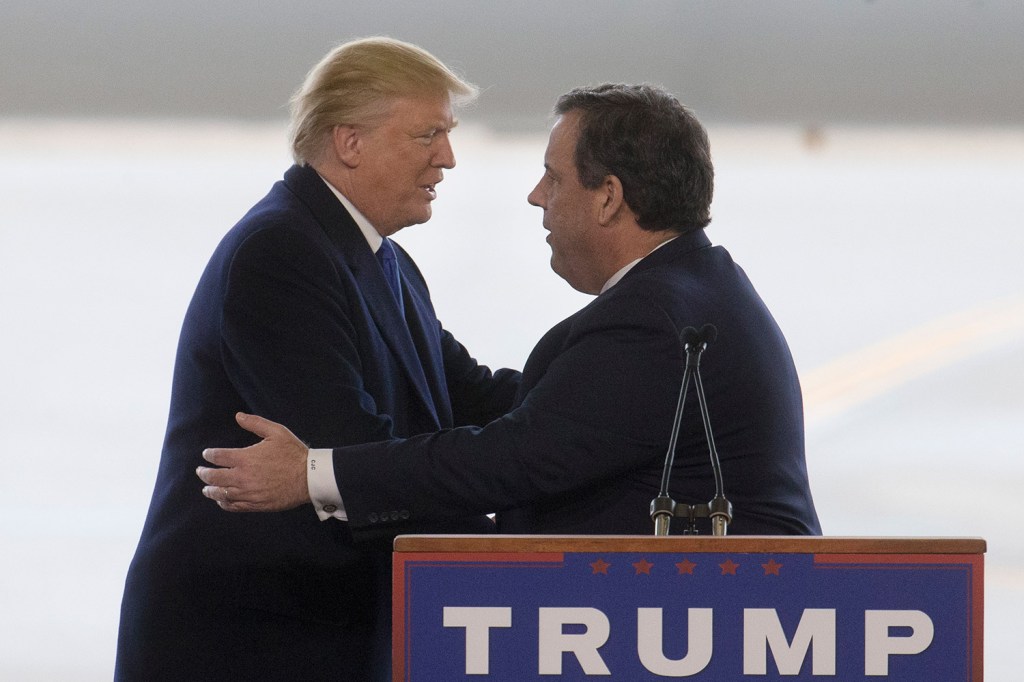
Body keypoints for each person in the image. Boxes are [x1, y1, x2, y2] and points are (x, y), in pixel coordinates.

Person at [199, 83, 821, 536]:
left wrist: (312, 476)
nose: (535, 197)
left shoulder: (654, 322)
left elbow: (514, 459)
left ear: (608, 199)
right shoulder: (688, 291)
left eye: (553, 178)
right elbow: (530, 416)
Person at [115, 38, 520, 681]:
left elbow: (468, 394)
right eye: (427, 135)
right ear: (349, 142)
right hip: (244, 639)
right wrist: (512, 540)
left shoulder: (382, 259)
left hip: (312, 629)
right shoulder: (279, 253)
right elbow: (350, 451)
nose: (447, 158)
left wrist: (606, 407)